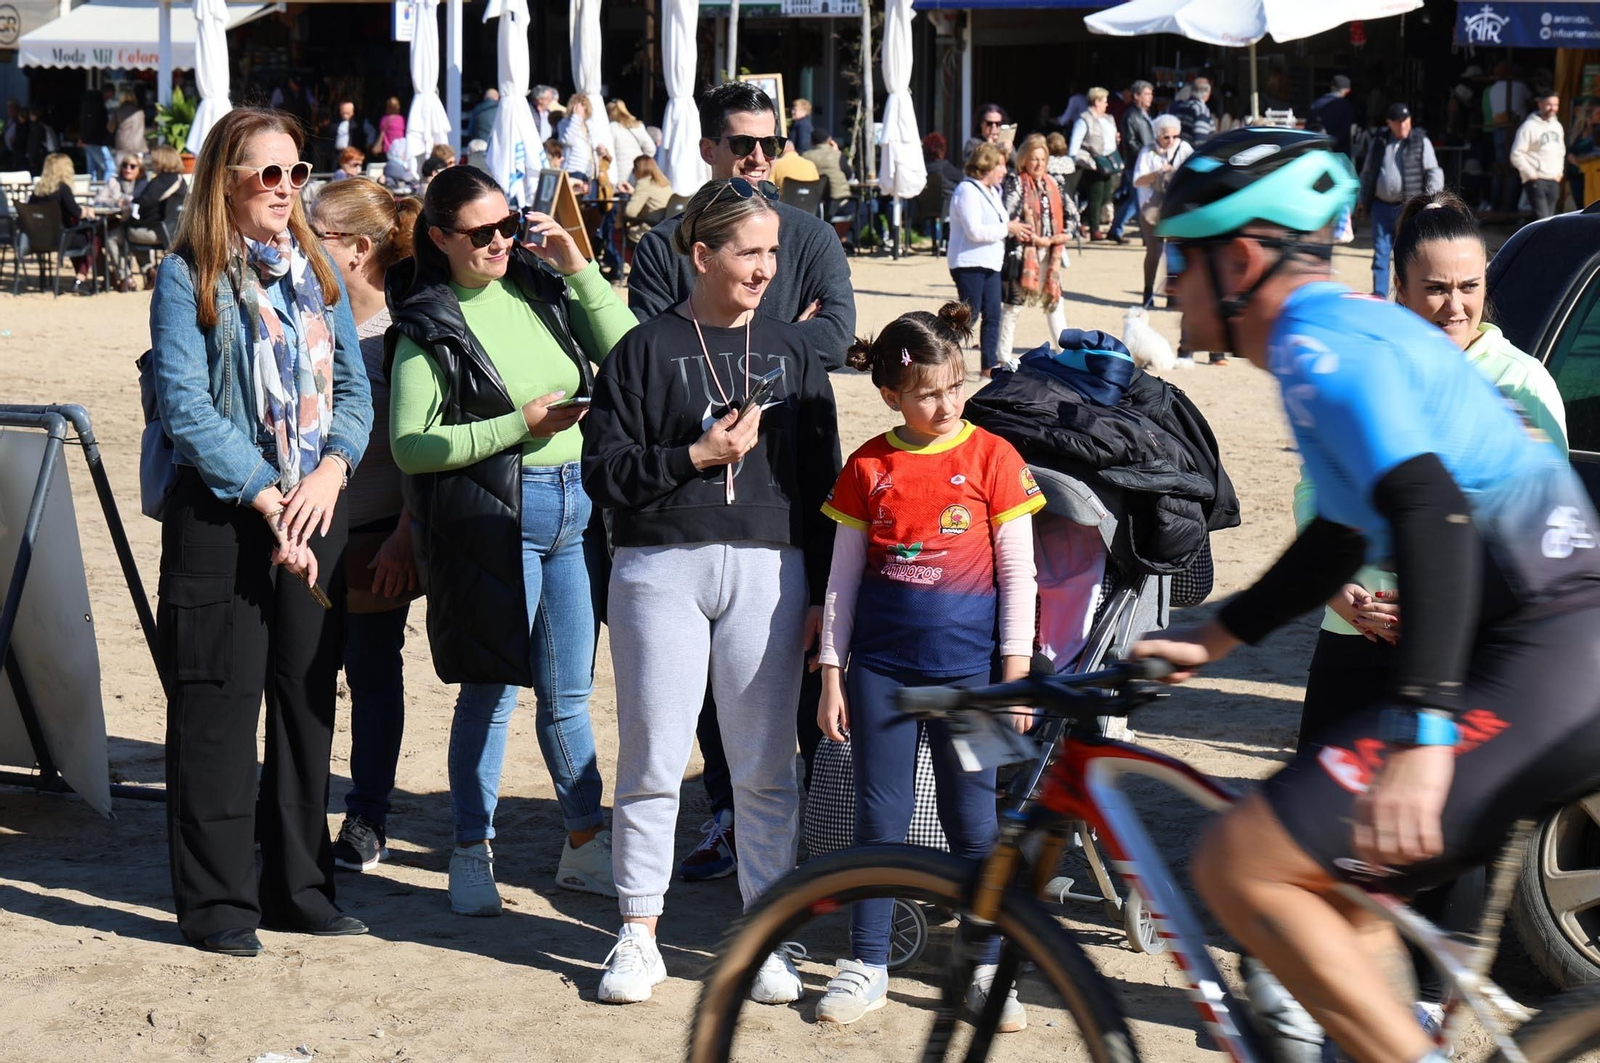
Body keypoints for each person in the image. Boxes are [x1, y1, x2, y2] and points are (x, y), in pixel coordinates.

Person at [1131, 126, 1600, 1063]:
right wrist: (1217, 638)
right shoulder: (1345, 331)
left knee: (1236, 861)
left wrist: (1425, 741)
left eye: (1178, 255)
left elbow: (1429, 514)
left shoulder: (1318, 349)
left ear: (1241, 257)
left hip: (1539, 657)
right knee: (1340, 900)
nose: (1168, 278)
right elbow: (1347, 532)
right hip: (1550, 645)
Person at [1285, 189, 1567, 1043]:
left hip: (1456, 657)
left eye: (1469, 286)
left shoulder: (1522, 384)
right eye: (1435, 287)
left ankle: (1407, 1025)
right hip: (1351, 638)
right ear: (1399, 286)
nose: (1454, 304)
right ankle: (1327, 1009)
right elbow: (1316, 489)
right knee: (1316, 839)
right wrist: (1337, 591)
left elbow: (1538, 523)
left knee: (1423, 855)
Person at [582, 177, 842, 1005]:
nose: (767, 269)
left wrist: (822, 596)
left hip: (772, 570)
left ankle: (766, 934)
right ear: (701, 255)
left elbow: (821, 481)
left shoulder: (796, 353)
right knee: (655, 752)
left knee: (767, 763)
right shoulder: (643, 349)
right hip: (660, 566)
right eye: (749, 252)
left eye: (774, 251)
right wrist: (693, 458)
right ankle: (638, 931)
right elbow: (603, 473)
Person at [149, 107, 372, 957]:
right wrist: (263, 494)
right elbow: (185, 406)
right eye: (266, 173)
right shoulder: (188, 275)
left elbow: (353, 388)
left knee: (306, 703)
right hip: (224, 512)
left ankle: (300, 887)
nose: (285, 189)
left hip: (317, 507)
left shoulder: (316, 270)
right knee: (216, 706)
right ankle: (217, 905)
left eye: (296, 172)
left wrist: (330, 471)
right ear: (225, 180)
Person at [625, 80, 856, 883]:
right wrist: (771, 344)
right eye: (742, 145)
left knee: (780, 695)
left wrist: (769, 347)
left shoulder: (809, 233)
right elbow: (652, 348)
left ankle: (799, 843)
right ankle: (724, 818)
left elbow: (834, 335)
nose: (759, 158)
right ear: (709, 149)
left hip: (780, 490)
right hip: (678, 515)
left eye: (769, 144)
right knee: (691, 707)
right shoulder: (663, 243)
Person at [387, 164, 634, 914]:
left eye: (507, 224)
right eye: (480, 232)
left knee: (570, 694)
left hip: (574, 506)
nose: (499, 241)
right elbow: (409, 444)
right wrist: (516, 426)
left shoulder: (538, 284)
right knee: (490, 692)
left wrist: (579, 266)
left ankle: (586, 844)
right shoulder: (427, 321)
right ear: (440, 238)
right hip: (498, 514)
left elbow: (629, 351)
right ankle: (470, 849)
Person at [811, 302, 1042, 1030]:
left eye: (956, 386)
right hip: (879, 671)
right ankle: (867, 961)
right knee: (877, 817)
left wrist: (1014, 676)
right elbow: (841, 579)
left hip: (976, 677)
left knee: (974, 820)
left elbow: (1021, 576)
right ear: (891, 395)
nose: (946, 404)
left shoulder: (994, 459)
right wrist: (830, 672)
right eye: (927, 392)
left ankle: (981, 964)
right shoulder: (867, 465)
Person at [304, 178, 424, 872]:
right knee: (304, 669)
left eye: (313, 229)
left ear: (356, 248)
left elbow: (421, 443)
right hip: (307, 523)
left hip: (380, 526)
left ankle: (368, 814)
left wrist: (409, 530)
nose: (299, 238)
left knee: (374, 670)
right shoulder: (308, 311)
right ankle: (295, 805)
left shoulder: (404, 328)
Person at [949, 142, 1032, 376]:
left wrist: (1012, 226)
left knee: (993, 314)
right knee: (969, 316)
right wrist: (1008, 228)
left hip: (991, 263)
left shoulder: (994, 191)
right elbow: (974, 231)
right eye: (1001, 165)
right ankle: (943, 357)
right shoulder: (966, 190)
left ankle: (988, 365)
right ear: (987, 166)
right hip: (968, 263)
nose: (1005, 171)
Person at [1357, 103, 1443, 296]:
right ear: (1389, 123)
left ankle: (1406, 297)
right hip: (1381, 205)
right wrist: (1362, 199)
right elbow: (1368, 172)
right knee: (1381, 254)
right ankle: (1380, 297)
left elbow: (1434, 172)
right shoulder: (1379, 141)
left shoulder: (1421, 141)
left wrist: (1433, 200)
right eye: (1398, 122)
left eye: (1406, 121)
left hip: (1408, 208)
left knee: (1408, 254)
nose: (1403, 126)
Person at [997, 134, 1070, 361]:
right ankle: (1002, 356)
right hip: (1022, 253)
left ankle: (1066, 353)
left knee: (1054, 301)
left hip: (1051, 250)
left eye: (1042, 159)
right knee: (1013, 306)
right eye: (1034, 159)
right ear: (1024, 160)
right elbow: (1009, 217)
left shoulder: (1054, 183)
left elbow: (1073, 215)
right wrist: (1033, 237)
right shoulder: (1016, 183)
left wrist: (1059, 237)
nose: (1039, 164)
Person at [1132, 114, 1192, 311]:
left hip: (1175, 208)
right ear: (1157, 135)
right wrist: (1157, 173)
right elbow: (1137, 181)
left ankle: (1172, 294)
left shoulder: (1183, 148)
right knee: (1154, 252)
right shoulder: (1147, 151)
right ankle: (1148, 291)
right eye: (1166, 137)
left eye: (1175, 136)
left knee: (1174, 251)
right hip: (1151, 209)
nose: (1171, 140)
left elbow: (1195, 172)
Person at [29, 153, 95, 288]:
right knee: (94, 235)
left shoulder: (38, 191)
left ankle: (80, 277)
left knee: (81, 234)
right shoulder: (62, 189)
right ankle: (81, 277)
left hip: (40, 239)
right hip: (61, 238)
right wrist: (87, 211)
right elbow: (76, 212)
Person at [1069, 87, 1121, 242]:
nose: (1107, 104)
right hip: (1092, 163)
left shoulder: (1109, 118)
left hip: (1109, 161)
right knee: (1095, 197)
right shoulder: (1084, 119)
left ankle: (1083, 221)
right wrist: (1073, 161)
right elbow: (1075, 143)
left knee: (1106, 196)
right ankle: (1095, 230)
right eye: (1104, 101)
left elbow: (1111, 138)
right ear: (1096, 101)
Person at [1110, 79, 1156, 243]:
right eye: (1146, 94)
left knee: (1132, 200)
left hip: (1144, 162)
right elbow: (1130, 142)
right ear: (1136, 96)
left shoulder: (1144, 115)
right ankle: (1147, 236)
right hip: (1136, 164)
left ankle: (1116, 229)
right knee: (1141, 202)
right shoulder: (1131, 115)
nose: (1150, 97)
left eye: (1151, 94)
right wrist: (1146, 156)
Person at [1510, 91, 1566, 220]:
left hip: (1553, 178)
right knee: (1542, 218)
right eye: (1549, 104)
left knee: (1549, 218)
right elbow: (1516, 154)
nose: (1553, 108)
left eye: (1555, 105)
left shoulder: (1557, 126)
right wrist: (1531, 174)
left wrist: (1559, 173)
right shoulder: (1529, 126)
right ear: (1539, 104)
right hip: (1536, 179)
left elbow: (1561, 151)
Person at [622, 155, 673, 249]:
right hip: (665, 227)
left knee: (617, 231)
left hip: (649, 228)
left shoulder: (643, 183)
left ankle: (627, 262)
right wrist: (633, 192)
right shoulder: (664, 182)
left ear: (638, 169)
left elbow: (630, 212)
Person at [607, 99, 657, 185]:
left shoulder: (611, 128)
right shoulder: (638, 126)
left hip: (619, 176)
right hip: (637, 173)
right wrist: (641, 162)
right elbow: (651, 149)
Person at [1308, 75, 1355, 157]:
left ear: (1332, 87)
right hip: (1340, 153)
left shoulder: (1317, 103)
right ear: (1348, 90)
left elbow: (1309, 127)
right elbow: (1345, 129)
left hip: (1319, 150)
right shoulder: (1346, 105)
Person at [559, 93, 596, 193]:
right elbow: (567, 140)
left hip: (586, 171)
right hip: (571, 169)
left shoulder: (588, 126)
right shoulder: (565, 123)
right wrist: (576, 117)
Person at [801, 129, 847, 207]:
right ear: (829, 141)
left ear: (811, 142)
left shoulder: (805, 156)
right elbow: (848, 174)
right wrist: (836, 151)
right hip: (838, 200)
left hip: (815, 201)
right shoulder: (837, 155)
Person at [1567, 101, 1600, 208]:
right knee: (1580, 208)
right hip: (1576, 175)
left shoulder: (1598, 131)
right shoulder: (1578, 132)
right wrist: (1573, 157)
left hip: (1594, 175)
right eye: (1598, 113)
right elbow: (1569, 151)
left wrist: (1580, 159)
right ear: (1588, 115)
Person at [79, 85, 115, 182]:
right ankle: (107, 192)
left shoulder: (87, 104)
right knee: (110, 168)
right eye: (110, 96)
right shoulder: (98, 106)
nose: (109, 99)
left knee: (91, 171)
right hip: (96, 141)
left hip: (88, 140)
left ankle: (90, 193)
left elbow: (85, 123)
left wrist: (82, 138)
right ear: (106, 93)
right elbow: (98, 125)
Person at [1167, 77, 1214, 145]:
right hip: (1190, 151)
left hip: (1179, 149)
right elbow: (1200, 139)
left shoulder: (1181, 106)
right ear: (1207, 94)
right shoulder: (1201, 109)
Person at [113, 91, 145, 158]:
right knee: (137, 166)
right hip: (138, 144)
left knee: (122, 166)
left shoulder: (118, 111)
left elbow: (110, 127)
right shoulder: (140, 112)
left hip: (122, 144)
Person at [789, 98, 815, 163]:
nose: (792, 112)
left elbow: (803, 146)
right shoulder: (798, 123)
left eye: (795, 110)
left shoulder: (803, 125)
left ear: (804, 111)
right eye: (792, 109)